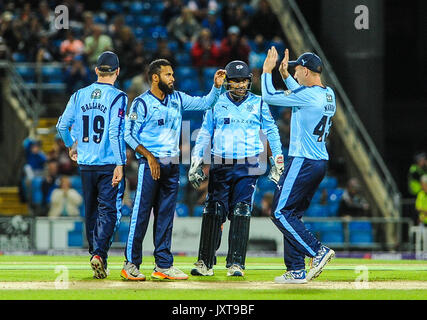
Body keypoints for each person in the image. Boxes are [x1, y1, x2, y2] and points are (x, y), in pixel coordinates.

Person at [120, 58, 225, 281]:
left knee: (166, 217)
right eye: (168, 75)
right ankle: (130, 264)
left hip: (172, 165)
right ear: (155, 77)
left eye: (173, 74)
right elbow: (128, 134)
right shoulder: (142, 103)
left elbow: (205, 103)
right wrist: (149, 157)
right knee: (140, 215)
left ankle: (163, 265)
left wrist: (216, 87)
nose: (173, 79)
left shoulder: (177, 98)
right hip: (150, 165)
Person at [188, 60, 284, 277]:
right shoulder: (216, 103)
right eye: (235, 81)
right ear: (227, 82)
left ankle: (236, 263)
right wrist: (196, 160)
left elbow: (272, 132)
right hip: (221, 162)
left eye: (244, 81)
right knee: (213, 210)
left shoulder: (259, 103)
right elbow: (205, 133)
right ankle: (205, 262)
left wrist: (277, 160)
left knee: (242, 210)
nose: (240, 85)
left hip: (249, 163)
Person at [261, 47, 336, 284]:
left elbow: (269, 96)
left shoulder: (307, 95)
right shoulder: (328, 93)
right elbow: (301, 94)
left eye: (296, 70)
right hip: (319, 161)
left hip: (302, 160)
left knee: (280, 213)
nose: (294, 74)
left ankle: (317, 251)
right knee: (293, 214)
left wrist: (267, 71)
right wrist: (284, 76)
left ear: (305, 70)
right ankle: (295, 269)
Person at [56, 51, 127, 279]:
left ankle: (97, 256)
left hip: (86, 164)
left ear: (96, 70)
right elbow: (115, 132)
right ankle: (98, 253)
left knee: (91, 212)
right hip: (107, 163)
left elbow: (61, 126)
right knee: (109, 210)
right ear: (117, 71)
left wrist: (71, 145)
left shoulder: (78, 95)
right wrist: (120, 162)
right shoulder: (119, 97)